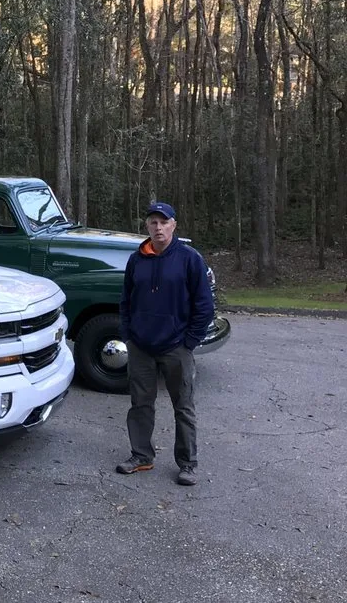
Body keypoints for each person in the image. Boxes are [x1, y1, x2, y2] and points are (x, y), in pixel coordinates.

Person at [115, 202, 214, 486]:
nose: (158, 227)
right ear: (146, 226)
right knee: (140, 404)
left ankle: (188, 464)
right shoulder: (137, 260)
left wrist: (190, 341)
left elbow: (204, 306)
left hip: (176, 347)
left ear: (174, 225)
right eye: (153, 222)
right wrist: (129, 336)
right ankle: (141, 456)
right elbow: (126, 301)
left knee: (183, 406)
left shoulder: (189, 259)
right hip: (141, 347)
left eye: (164, 222)